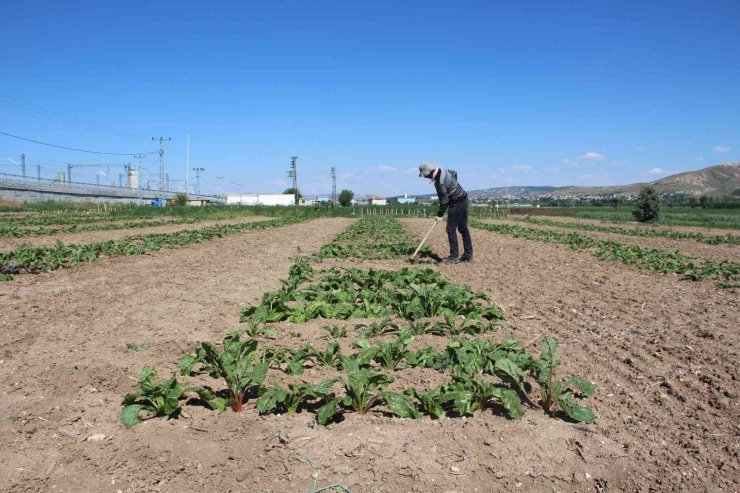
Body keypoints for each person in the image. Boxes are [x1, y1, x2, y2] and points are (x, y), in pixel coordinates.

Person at [418, 163, 473, 264]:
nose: (425, 177)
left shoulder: (439, 182)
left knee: (450, 228)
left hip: (456, 203)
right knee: (463, 228)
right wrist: (454, 186)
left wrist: (439, 215)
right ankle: (468, 255)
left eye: (425, 175)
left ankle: (454, 256)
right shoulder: (444, 171)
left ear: (428, 172)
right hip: (464, 198)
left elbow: (444, 201)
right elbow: (454, 173)